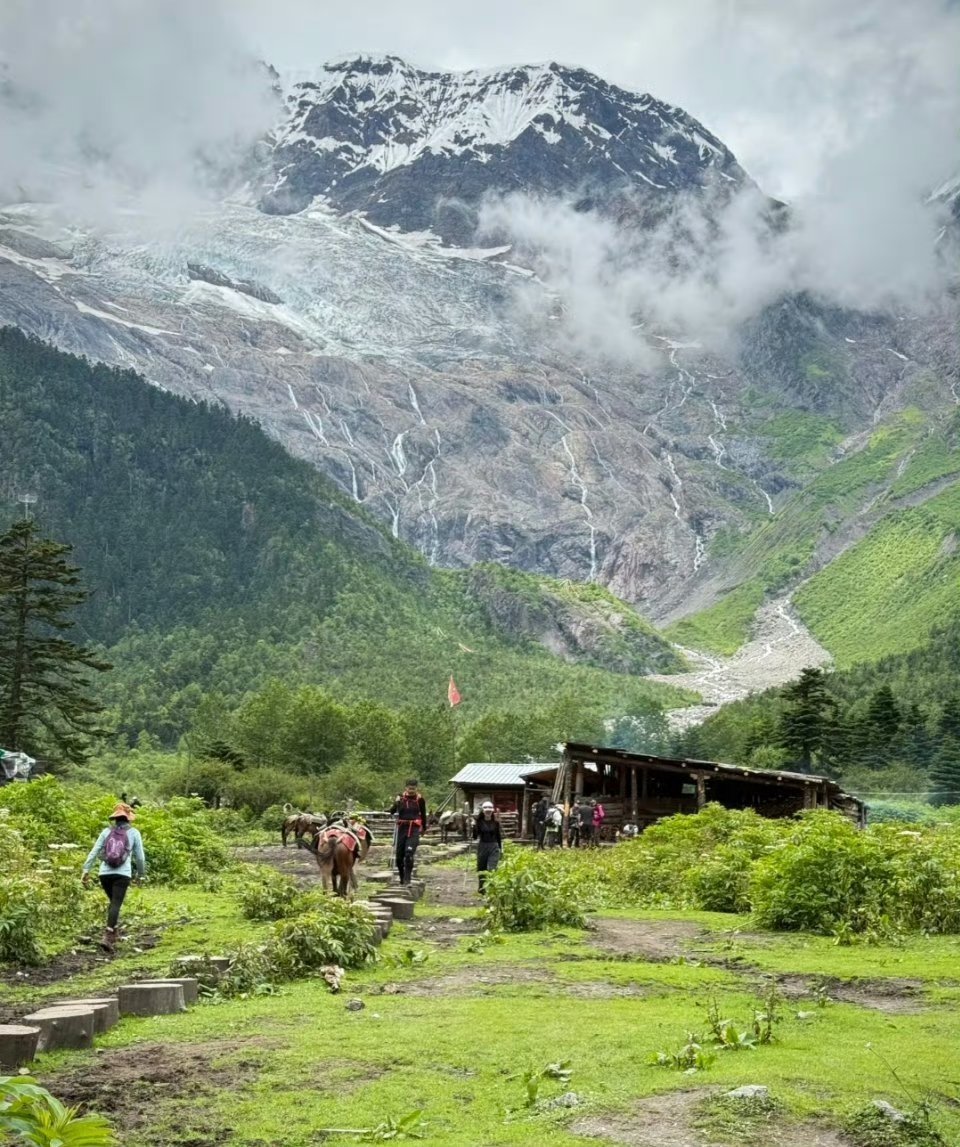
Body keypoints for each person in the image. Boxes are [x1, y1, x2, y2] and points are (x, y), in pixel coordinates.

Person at [82, 803, 146, 952]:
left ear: (115, 818)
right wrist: (141, 875)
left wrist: (86, 870)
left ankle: (114, 931)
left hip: (104, 874)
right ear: (128, 819)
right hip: (122, 874)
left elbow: (94, 851)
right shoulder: (134, 833)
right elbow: (140, 857)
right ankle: (108, 935)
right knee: (116, 904)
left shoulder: (106, 831)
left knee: (113, 903)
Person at [389, 778, 426, 885]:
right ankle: (401, 876)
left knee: (409, 853)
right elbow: (392, 811)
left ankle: (407, 878)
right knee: (399, 857)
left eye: (413, 789)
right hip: (402, 828)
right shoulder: (400, 799)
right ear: (406, 788)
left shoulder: (420, 800)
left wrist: (423, 828)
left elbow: (423, 815)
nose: (411, 791)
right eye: (409, 788)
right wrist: (396, 803)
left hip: (414, 828)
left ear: (416, 789)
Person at [473, 800, 503, 894]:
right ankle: (482, 888)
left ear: (492, 810)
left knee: (492, 868)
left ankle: (492, 888)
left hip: (494, 846)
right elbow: (474, 837)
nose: (488, 810)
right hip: (482, 846)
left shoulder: (496, 822)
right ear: (483, 810)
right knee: (481, 868)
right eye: (486, 808)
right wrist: (473, 827)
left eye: (490, 808)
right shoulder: (479, 822)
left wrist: (501, 848)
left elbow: (498, 836)